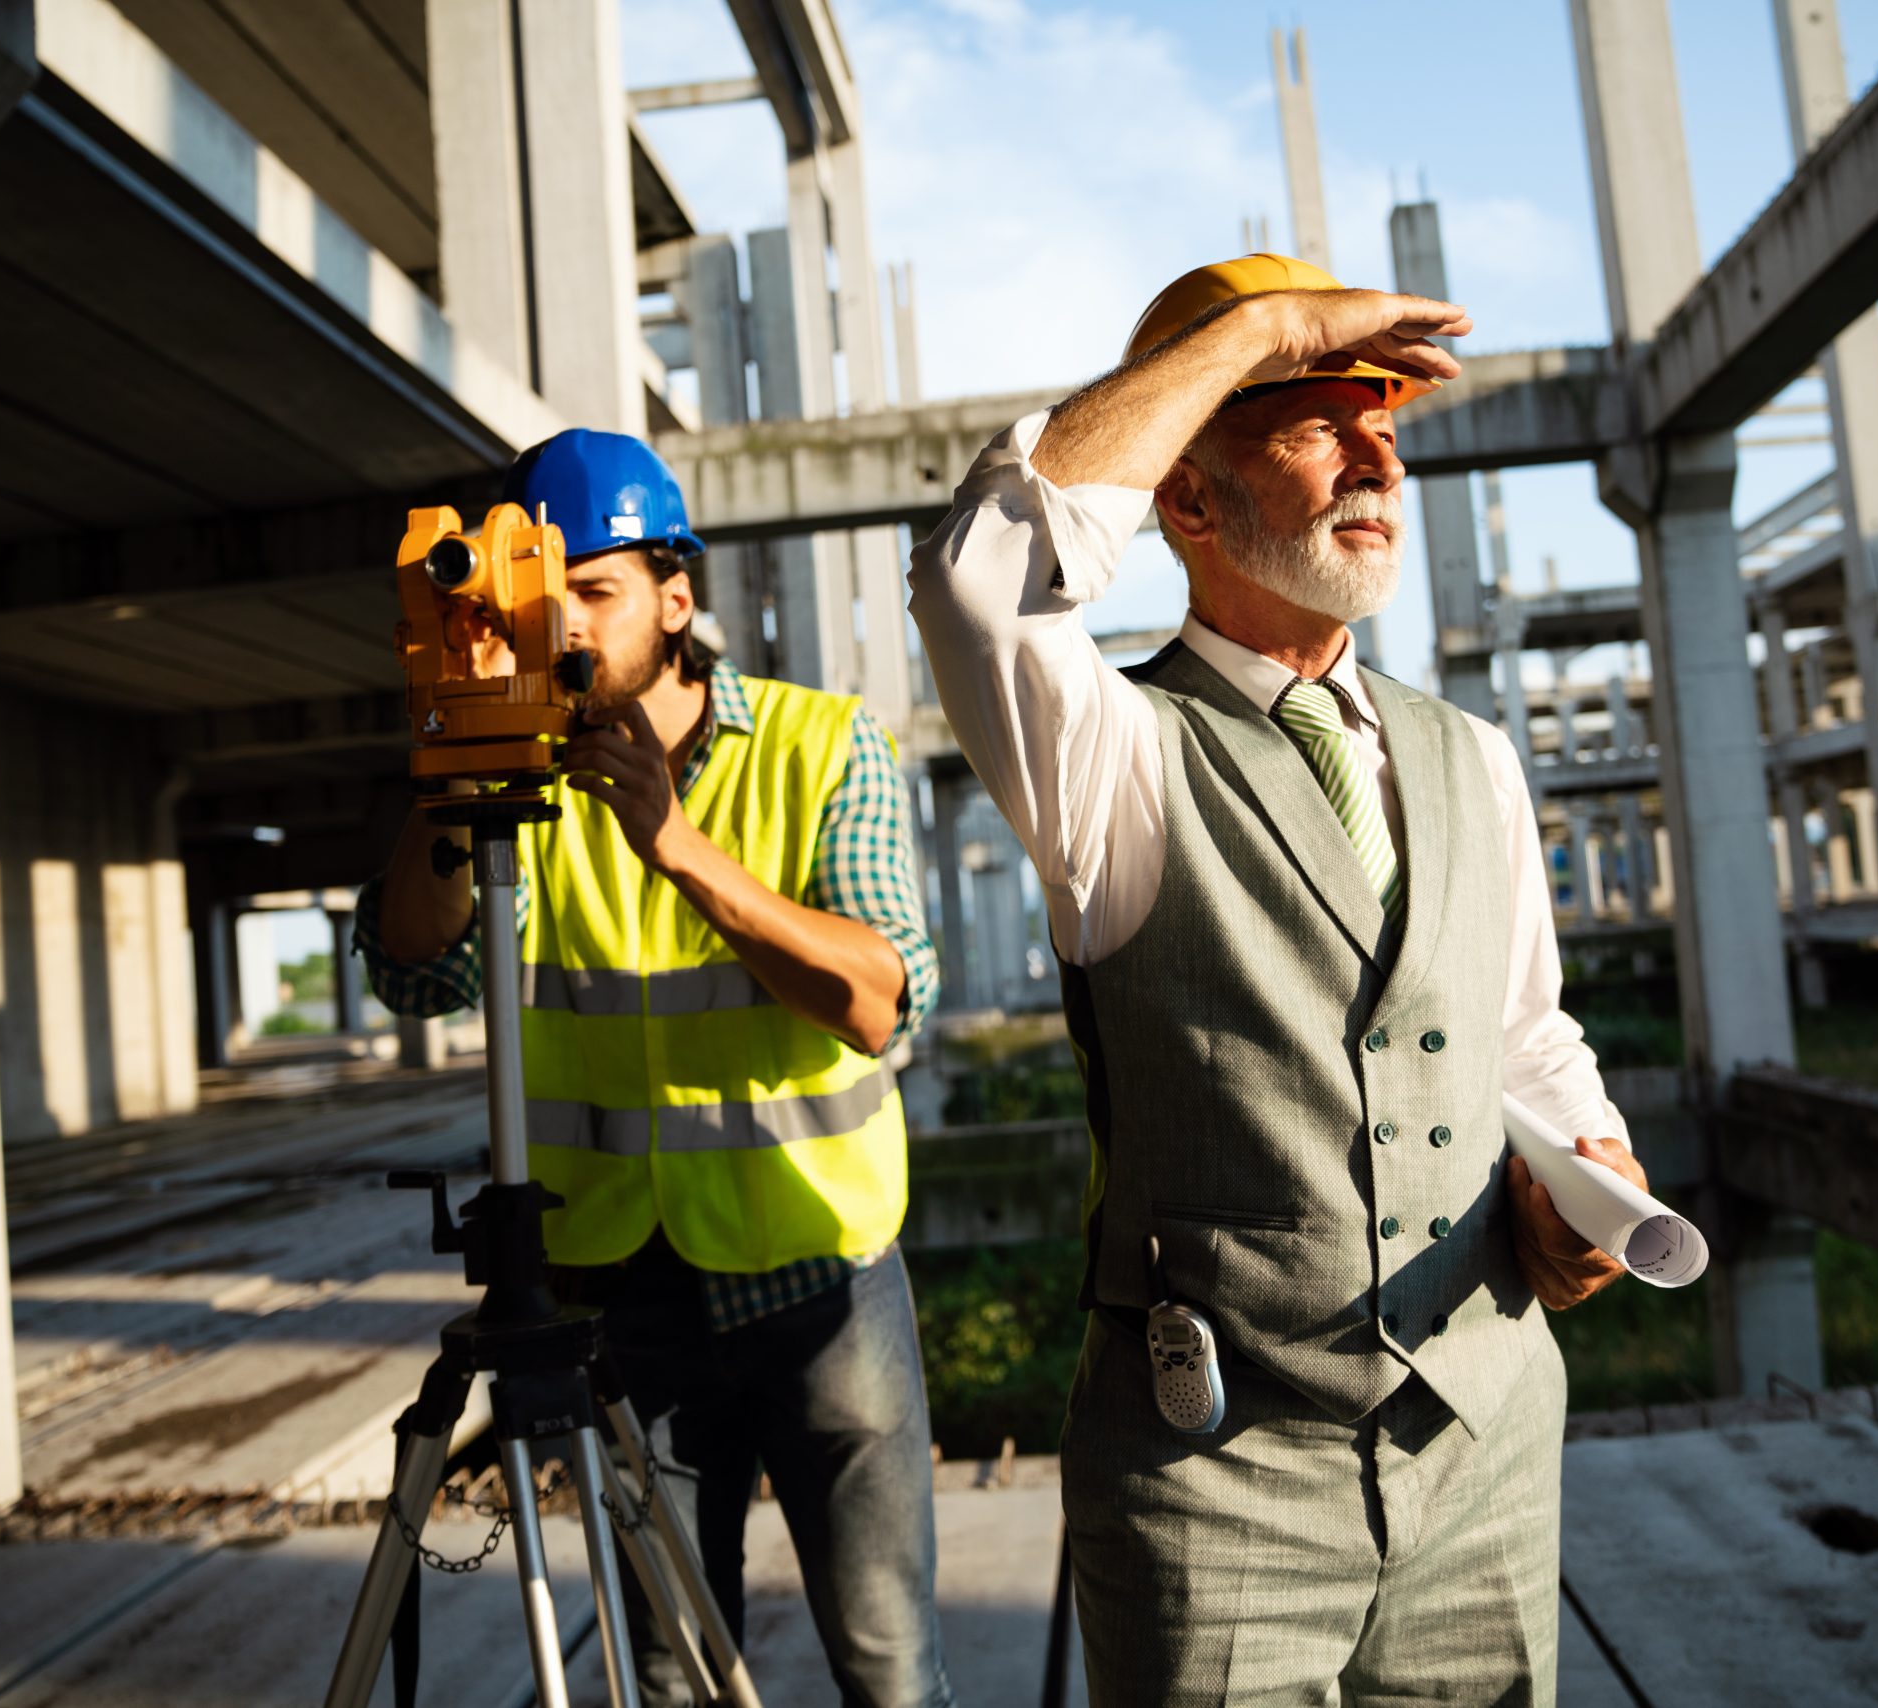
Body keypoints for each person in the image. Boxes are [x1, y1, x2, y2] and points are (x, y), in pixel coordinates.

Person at [907, 254, 1645, 1707]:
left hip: (1485, 1444)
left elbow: (1517, 1034)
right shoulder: (1113, 753)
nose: (1377, 455)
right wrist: (1262, 331)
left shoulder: (1469, 756)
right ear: (1187, 499)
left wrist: (1588, 1168)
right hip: (1217, 1479)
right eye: (1314, 423)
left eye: (1384, 424)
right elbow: (981, 583)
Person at [358, 428, 954, 1708]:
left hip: (821, 1286)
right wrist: (452, 765)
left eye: (593, 589)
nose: (556, 621)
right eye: (534, 590)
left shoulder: (821, 741)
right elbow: (414, 968)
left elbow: (878, 1000)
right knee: (675, 1683)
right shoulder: (507, 787)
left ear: (677, 600)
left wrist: (674, 843)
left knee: (892, 1675)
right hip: (621, 1305)